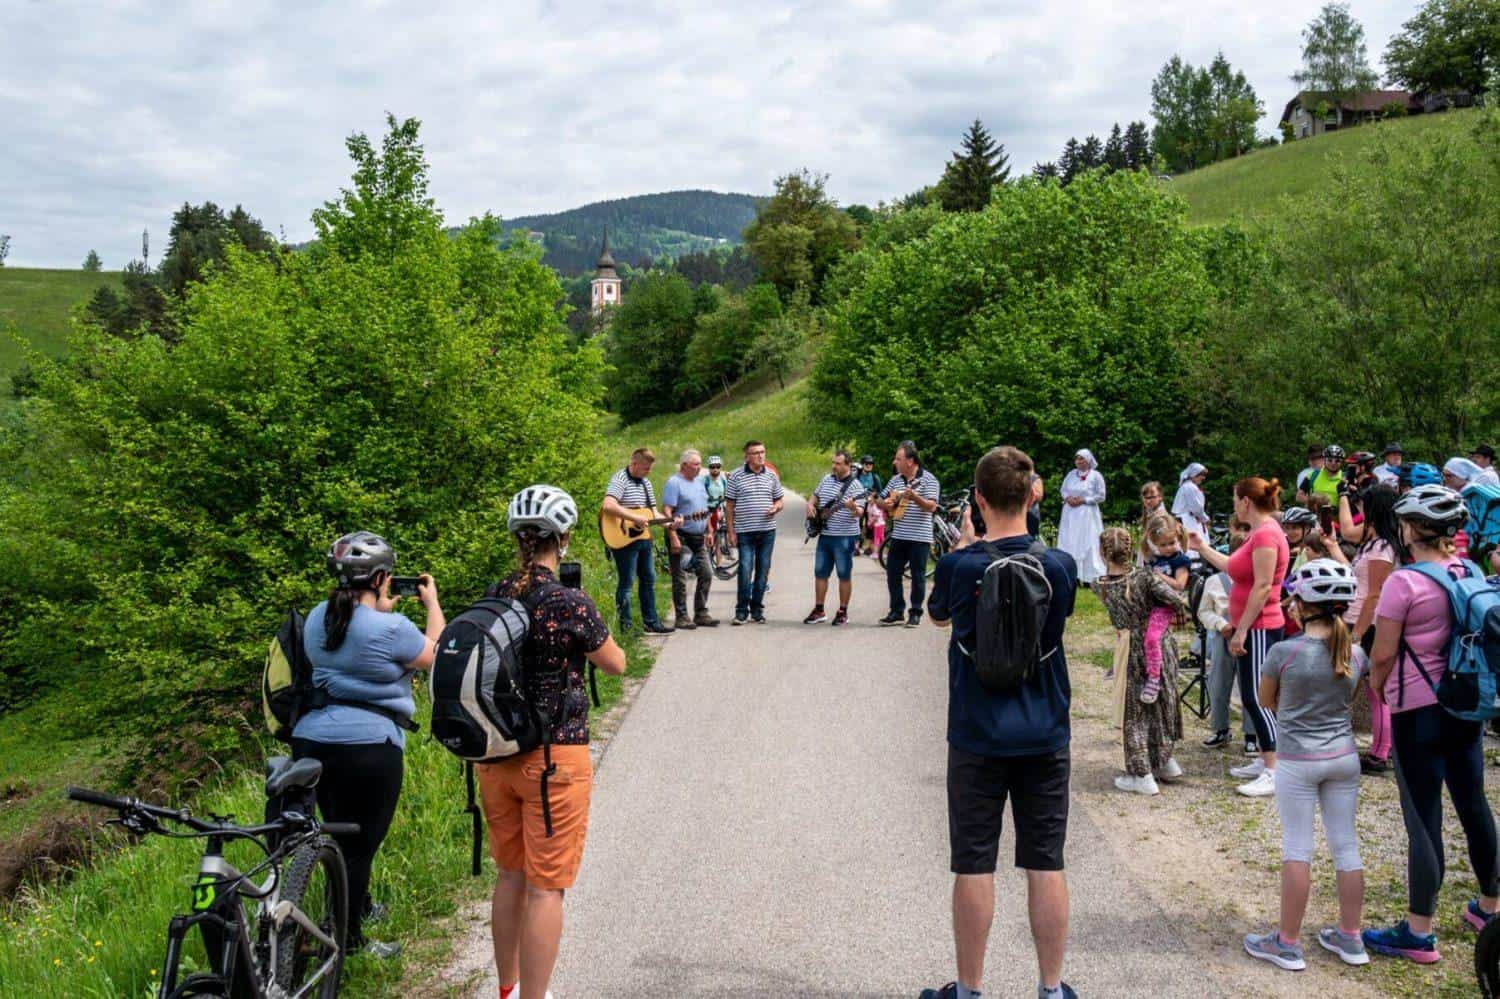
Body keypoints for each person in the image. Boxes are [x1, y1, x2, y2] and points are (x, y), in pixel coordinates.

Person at [922, 446, 1079, 999]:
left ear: (979, 499)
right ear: (1034, 495)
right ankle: (1051, 988)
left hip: (977, 733)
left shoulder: (959, 566)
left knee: (973, 864)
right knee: (1046, 862)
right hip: (1044, 730)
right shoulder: (1059, 566)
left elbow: (937, 617)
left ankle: (968, 989)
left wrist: (963, 550)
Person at [480, 485, 627, 999]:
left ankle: (506, 989)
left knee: (510, 877)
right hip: (552, 759)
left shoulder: (495, 596)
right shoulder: (567, 601)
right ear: (562, 539)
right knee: (546, 889)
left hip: (496, 754)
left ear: (517, 539)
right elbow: (616, 663)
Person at [1362, 484, 1500, 964]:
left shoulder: (1403, 582)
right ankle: (1490, 907)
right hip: (1465, 703)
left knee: (1424, 817)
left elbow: (1383, 653)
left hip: (1417, 709)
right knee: (1474, 803)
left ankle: (1418, 931)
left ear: (1411, 529)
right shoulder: (1470, 570)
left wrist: (1377, 685)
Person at [294, 531, 446, 957]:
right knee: (360, 845)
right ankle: (349, 943)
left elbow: (350, 637)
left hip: (311, 739)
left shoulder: (316, 617)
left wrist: (378, 609)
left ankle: (356, 908)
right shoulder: (393, 628)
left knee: (337, 835)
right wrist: (432, 605)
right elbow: (436, 655)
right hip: (369, 746)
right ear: (379, 579)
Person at [1242, 558, 1369, 972]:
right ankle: (1351, 936)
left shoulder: (1284, 651)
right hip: (1343, 757)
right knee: (1346, 846)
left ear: (1303, 604)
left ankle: (1287, 942)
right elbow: (1349, 700)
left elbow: (1265, 700)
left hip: (1298, 758)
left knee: (1298, 847)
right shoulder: (1355, 653)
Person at [1190, 477, 1290, 798]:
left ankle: (1275, 769)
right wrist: (1201, 547)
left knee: (1259, 697)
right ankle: (1265, 759)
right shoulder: (1258, 534)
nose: (1234, 505)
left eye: (1235, 499)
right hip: (1253, 625)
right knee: (1251, 695)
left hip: (1260, 626)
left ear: (1246, 501)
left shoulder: (1266, 535)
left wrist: (1242, 629)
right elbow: (1234, 568)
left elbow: (1263, 586)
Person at [1095, 524, 1186, 796]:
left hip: (1130, 646)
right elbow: (1176, 599)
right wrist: (1164, 618)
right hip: (1159, 643)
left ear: (1102, 553)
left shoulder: (1100, 585)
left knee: (1134, 711)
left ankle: (1141, 773)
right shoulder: (1145, 577)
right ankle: (1164, 760)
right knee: (1161, 702)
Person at [1335, 485, 1403, 775]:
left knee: (1377, 689)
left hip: (1370, 624)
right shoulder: (1373, 544)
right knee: (1372, 689)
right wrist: (1332, 547)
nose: (1359, 511)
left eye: (1363, 506)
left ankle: (1380, 753)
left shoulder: (1383, 548)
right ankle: (1381, 749)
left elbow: (1374, 594)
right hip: (1360, 619)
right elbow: (1358, 578)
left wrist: (1358, 633)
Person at [602, 448, 674, 634]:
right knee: (627, 583)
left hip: (643, 537)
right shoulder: (620, 479)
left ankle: (651, 621)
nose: (648, 472)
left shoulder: (646, 483)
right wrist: (633, 517)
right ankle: (626, 627)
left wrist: (670, 523)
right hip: (623, 538)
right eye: (645, 468)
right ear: (634, 464)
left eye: (649, 468)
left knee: (649, 578)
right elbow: (608, 505)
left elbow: (652, 513)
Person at [1199, 525, 1255, 751]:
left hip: (1250, 635)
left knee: (1250, 685)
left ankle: (1252, 734)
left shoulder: (1257, 580)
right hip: (1224, 636)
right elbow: (1204, 611)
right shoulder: (1215, 581)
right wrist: (1219, 624)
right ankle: (1220, 728)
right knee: (1219, 683)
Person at [877, 441, 941, 627]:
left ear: (910, 461)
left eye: (898, 459)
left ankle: (915, 612)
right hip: (899, 535)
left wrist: (914, 497)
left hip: (920, 537)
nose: (894, 462)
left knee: (917, 575)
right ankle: (896, 611)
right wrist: (885, 504)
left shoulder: (929, 480)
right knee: (892, 573)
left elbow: (932, 506)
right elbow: (880, 499)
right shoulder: (896, 479)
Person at [803, 449, 867, 626]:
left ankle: (842, 611)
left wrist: (852, 507)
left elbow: (860, 512)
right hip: (825, 534)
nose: (834, 466)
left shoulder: (856, 486)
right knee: (820, 572)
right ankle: (819, 609)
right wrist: (810, 505)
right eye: (833, 463)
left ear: (848, 465)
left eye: (838, 464)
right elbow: (815, 496)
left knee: (843, 574)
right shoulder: (826, 479)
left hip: (844, 536)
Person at [724, 439, 785, 625]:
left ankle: (757, 610)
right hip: (745, 532)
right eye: (756, 453)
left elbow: (780, 500)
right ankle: (741, 611)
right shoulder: (736, 476)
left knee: (763, 571)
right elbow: (729, 506)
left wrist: (776, 507)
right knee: (745, 569)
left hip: (767, 531)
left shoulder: (771, 475)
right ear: (747, 456)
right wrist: (731, 532)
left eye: (762, 452)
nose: (760, 456)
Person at [662, 449, 716, 630]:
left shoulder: (700, 482)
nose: (699, 467)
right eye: (695, 464)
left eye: (700, 464)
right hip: (681, 536)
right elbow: (667, 511)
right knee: (680, 578)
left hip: (698, 537)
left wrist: (709, 531)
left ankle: (700, 613)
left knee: (706, 573)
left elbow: (704, 509)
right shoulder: (674, 483)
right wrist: (673, 537)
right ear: (684, 465)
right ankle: (682, 616)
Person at [1139, 516, 1191, 704]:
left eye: (1172, 543)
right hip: (1150, 604)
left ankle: (1154, 677)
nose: (1168, 548)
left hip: (1165, 606)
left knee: (1152, 639)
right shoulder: (1154, 559)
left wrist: (1160, 577)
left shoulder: (1180, 560)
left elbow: (1180, 584)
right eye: (1163, 545)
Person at [1056, 449, 1106, 584]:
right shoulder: (1071, 474)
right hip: (1070, 514)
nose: (1078, 461)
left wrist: (1084, 500)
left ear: (1088, 460)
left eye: (1081, 458)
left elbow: (1101, 496)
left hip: (1087, 514)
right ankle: (1072, 574)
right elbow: (1063, 490)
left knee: (1088, 541)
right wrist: (1068, 498)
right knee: (1070, 541)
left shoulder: (1096, 476)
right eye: (1077, 459)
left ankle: (1090, 575)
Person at [1172, 463, 1211, 541]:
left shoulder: (1187, 486)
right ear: (1194, 474)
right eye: (1201, 475)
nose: (1203, 478)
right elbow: (1196, 507)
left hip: (1187, 520)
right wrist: (1205, 518)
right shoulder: (1190, 487)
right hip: (1188, 521)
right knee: (1191, 543)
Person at [857, 454, 885, 555]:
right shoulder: (857, 476)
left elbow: (880, 492)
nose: (869, 465)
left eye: (871, 463)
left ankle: (869, 547)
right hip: (859, 503)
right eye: (867, 463)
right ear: (862, 464)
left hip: (871, 505)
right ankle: (857, 546)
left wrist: (874, 496)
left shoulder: (875, 477)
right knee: (858, 524)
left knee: (870, 525)